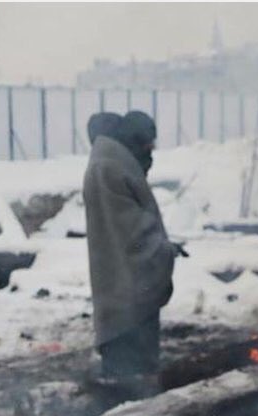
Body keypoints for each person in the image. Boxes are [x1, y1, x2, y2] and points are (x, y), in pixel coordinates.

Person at [83, 109, 177, 395]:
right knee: (129, 383)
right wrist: (163, 251)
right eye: (148, 146)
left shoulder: (114, 164)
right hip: (126, 299)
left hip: (126, 294)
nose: (151, 155)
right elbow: (132, 236)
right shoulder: (110, 168)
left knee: (134, 376)